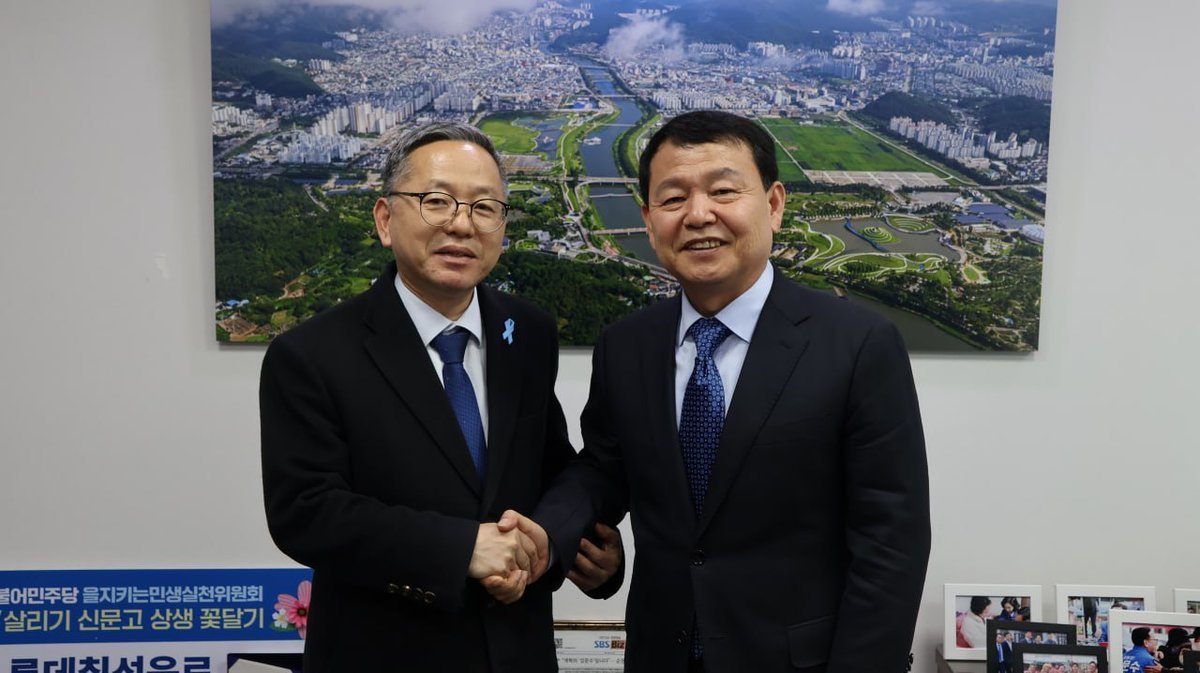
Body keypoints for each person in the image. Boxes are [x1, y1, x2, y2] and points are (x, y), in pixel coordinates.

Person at [516, 110, 931, 672]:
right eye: (673, 198)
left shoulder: (857, 344)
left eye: (723, 191)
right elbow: (603, 471)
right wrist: (547, 535)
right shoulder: (626, 345)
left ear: (774, 204)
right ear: (648, 219)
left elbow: (892, 544)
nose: (698, 214)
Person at [259, 121, 622, 672]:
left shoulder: (528, 332)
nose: (461, 224)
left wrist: (563, 542)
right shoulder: (311, 354)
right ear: (385, 219)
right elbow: (306, 511)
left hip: (516, 650)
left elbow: (553, 465)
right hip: (383, 653)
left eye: (484, 207)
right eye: (436, 201)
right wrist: (462, 549)